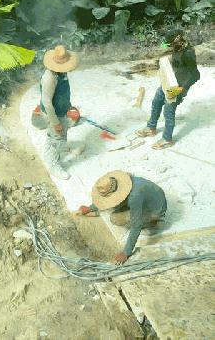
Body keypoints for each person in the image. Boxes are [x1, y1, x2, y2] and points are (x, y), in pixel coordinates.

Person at [77, 170, 167, 264]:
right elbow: (110, 200)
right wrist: (90, 208)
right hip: (149, 196)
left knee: (115, 218)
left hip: (156, 209)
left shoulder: (134, 197)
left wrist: (126, 252)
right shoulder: (119, 182)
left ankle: (152, 223)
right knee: (115, 205)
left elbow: (136, 225)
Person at [136, 29, 200, 149]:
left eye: (170, 44)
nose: (169, 46)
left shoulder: (188, 53)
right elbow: (175, 58)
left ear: (177, 40)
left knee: (168, 110)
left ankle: (167, 139)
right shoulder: (177, 47)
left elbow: (195, 75)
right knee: (156, 101)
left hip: (179, 86)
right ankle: (151, 127)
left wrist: (182, 89)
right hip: (170, 81)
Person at [38, 44, 79, 180]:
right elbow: (47, 102)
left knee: (54, 136)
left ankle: (48, 153)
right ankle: (53, 165)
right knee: (58, 138)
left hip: (61, 110)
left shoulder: (62, 73)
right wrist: (56, 122)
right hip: (53, 113)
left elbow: (62, 93)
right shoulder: (50, 78)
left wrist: (68, 106)